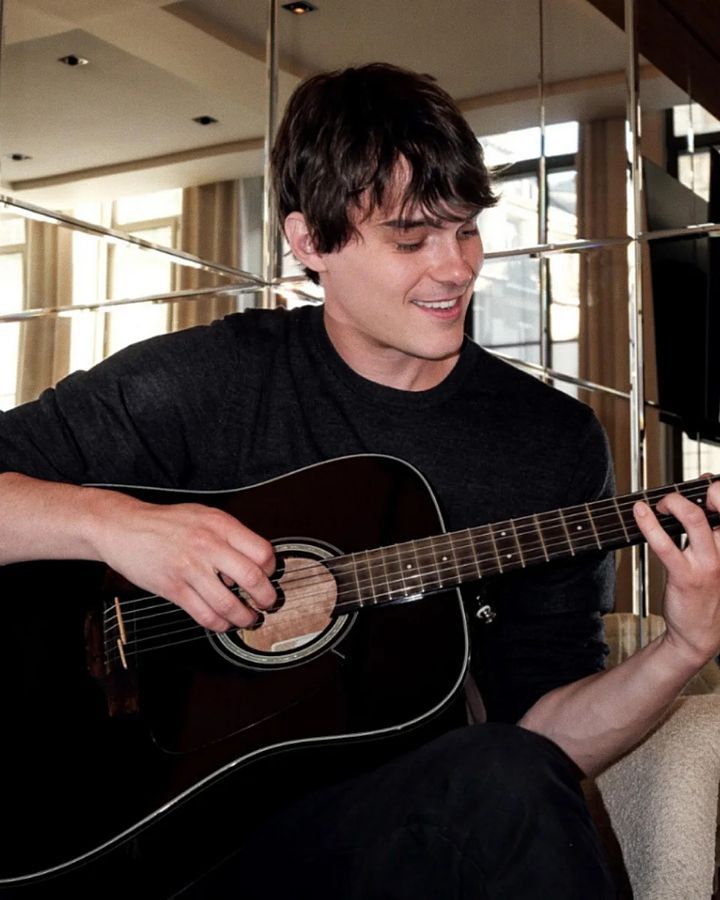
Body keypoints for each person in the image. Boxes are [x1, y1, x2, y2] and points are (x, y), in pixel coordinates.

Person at [0, 63, 718, 899]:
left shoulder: (545, 443)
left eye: (467, 230)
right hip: (128, 830)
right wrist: (110, 525)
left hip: (358, 845)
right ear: (309, 243)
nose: (456, 269)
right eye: (412, 239)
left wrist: (685, 649)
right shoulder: (211, 381)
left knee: (503, 773)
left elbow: (541, 743)